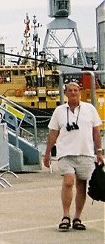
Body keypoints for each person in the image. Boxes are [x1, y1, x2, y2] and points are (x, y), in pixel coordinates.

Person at [43, 82, 104, 231]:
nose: (73, 93)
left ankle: (77, 217)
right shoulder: (59, 111)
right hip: (66, 153)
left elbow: (96, 131)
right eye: (70, 90)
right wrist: (47, 153)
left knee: (81, 185)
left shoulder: (90, 109)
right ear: (66, 93)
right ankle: (66, 215)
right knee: (68, 181)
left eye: (76, 90)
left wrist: (99, 151)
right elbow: (53, 133)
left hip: (85, 152)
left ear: (80, 92)